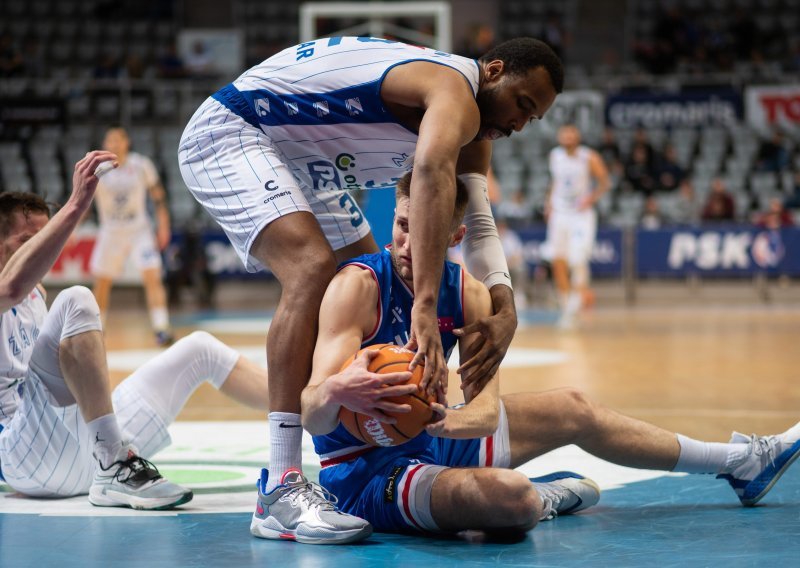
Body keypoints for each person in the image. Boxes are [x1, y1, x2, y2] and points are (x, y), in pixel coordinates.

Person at [178, 36, 563, 540]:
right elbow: (428, 172)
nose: (518, 123)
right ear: (493, 71)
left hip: (302, 159)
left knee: (365, 278)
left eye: (531, 119)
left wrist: (504, 303)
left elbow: (478, 222)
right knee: (312, 269)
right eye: (522, 104)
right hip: (236, 131)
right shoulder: (455, 93)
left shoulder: (476, 131)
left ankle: (365, 449)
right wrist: (425, 305)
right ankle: (279, 486)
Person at [300, 171, 800, 536]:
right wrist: (339, 389)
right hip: (367, 471)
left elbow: (484, 410)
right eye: (403, 224)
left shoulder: (467, 294)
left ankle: (739, 462)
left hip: (434, 435)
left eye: (424, 232)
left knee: (574, 406)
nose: (407, 243)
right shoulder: (357, 287)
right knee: (514, 500)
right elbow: (311, 414)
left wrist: (442, 422)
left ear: (454, 238)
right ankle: (544, 496)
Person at [0, 167, 270, 507]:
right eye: (28, 242)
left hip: (79, 450)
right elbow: (9, 287)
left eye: (46, 237)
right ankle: (114, 462)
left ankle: (314, 410)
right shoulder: (10, 290)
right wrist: (76, 204)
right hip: (24, 457)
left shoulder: (36, 294)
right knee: (77, 299)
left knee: (200, 348)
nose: (42, 250)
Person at [90, 126, 174, 346]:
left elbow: (158, 197)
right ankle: (98, 329)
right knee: (102, 282)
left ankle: (161, 327)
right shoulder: (98, 168)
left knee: (152, 276)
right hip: (110, 230)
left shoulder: (141, 165)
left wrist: (163, 225)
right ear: (105, 144)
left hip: (139, 230)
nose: (115, 144)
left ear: (127, 142)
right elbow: (84, 201)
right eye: (110, 140)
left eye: (119, 140)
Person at [545, 124, 610, 329]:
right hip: (559, 212)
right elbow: (555, 182)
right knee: (557, 259)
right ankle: (566, 305)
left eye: (571, 132)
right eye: (564, 132)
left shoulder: (588, 156)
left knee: (577, 259)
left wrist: (590, 199)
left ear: (577, 136)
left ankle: (576, 298)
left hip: (580, 214)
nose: (567, 136)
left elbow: (604, 182)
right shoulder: (555, 156)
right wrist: (549, 203)